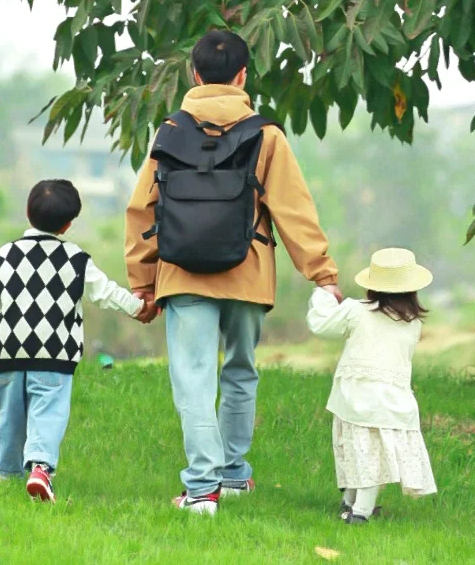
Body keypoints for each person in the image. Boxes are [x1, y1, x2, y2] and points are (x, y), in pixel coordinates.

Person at [125, 28, 342, 516]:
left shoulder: (169, 131)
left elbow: (142, 210)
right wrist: (323, 274)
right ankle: (234, 475)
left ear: (194, 75)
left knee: (195, 380)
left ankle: (202, 490)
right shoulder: (266, 135)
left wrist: (143, 281)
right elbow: (293, 210)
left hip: (181, 274)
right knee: (240, 372)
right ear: (244, 75)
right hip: (247, 270)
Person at [0, 178, 151, 502]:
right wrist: (139, 307)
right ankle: (40, 469)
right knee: (47, 410)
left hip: (7, 349)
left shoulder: (3, 256)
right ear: (67, 224)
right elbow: (104, 292)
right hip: (54, 351)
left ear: (27, 212)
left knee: (10, 413)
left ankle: (5, 474)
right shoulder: (75, 259)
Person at [307, 247, 438, 524]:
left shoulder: (356, 311)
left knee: (362, 456)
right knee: (372, 455)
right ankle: (350, 502)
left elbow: (323, 325)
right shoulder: (413, 324)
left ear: (373, 287)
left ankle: (360, 513)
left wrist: (324, 296)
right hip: (394, 402)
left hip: (359, 399)